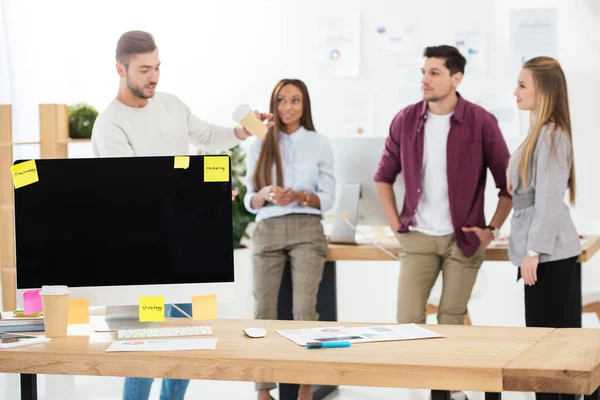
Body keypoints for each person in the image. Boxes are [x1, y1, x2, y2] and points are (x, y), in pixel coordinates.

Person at [91, 30, 271, 400]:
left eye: (157, 67)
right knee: (145, 346)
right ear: (119, 69)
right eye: (143, 70)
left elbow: (206, 135)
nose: (153, 77)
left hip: (185, 247)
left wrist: (243, 130)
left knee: (187, 340)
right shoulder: (109, 125)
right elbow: (134, 192)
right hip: (142, 255)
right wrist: (204, 195)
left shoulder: (171, 104)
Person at [374, 45, 512, 327]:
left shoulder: (482, 122)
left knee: (451, 320)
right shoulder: (405, 120)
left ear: (456, 78)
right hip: (418, 235)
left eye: (434, 73)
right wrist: (396, 226)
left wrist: (491, 231)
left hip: (462, 238)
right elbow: (383, 177)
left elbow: (508, 186)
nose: (425, 79)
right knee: (407, 322)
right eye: (423, 72)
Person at [243, 79, 335, 400]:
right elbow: (248, 200)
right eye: (281, 101)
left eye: (295, 101)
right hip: (268, 228)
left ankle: (305, 385)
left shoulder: (320, 143)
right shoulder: (260, 142)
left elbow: (328, 198)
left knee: (304, 309)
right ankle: (263, 390)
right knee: (263, 310)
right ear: (274, 104)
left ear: (304, 105)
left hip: (307, 229)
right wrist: (267, 194)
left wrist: (298, 196)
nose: (288, 107)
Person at [507, 56, 581, 338]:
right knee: (543, 339)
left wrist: (533, 251)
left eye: (522, 85)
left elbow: (548, 201)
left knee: (550, 344)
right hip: (545, 254)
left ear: (545, 91)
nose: (516, 92)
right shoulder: (539, 134)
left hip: (548, 255)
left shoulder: (550, 136)